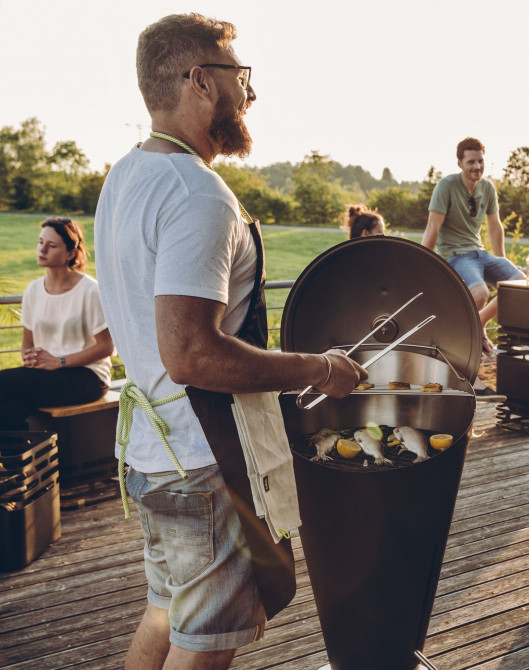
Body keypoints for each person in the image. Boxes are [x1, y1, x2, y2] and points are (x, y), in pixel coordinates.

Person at [94, 14, 366, 670]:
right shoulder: (198, 194)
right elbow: (192, 353)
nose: (248, 95)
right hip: (202, 458)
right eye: (239, 77)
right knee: (202, 641)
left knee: (166, 610)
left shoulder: (124, 177)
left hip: (152, 451)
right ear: (198, 81)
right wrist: (319, 369)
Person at [421, 137, 524, 399]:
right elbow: (433, 226)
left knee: (522, 284)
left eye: (480, 160)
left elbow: (495, 226)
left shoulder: (487, 188)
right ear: (460, 163)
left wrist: (502, 261)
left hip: (481, 253)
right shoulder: (446, 186)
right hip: (456, 255)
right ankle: (476, 327)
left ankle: (479, 322)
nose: (477, 166)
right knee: (479, 294)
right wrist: (423, 265)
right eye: (471, 161)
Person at [0, 218, 113, 430]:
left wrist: (59, 361)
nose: (42, 250)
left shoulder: (90, 290)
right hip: (46, 375)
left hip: (88, 377)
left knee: (3, 382)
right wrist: (30, 357)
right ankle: (22, 463)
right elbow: (28, 343)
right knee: (9, 411)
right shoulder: (32, 290)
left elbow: (106, 347)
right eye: (40, 242)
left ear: (71, 254)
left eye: (51, 246)